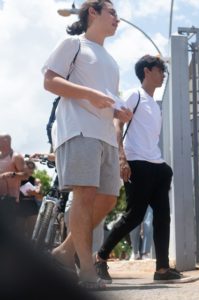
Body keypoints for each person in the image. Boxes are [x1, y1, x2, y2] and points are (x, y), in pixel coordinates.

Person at [42, 0, 131, 289]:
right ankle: (87, 272)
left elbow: (108, 98)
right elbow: (50, 81)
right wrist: (90, 95)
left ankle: (64, 252)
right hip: (79, 130)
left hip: (106, 135)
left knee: (107, 198)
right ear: (93, 12)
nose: (117, 18)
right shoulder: (73, 43)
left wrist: (120, 112)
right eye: (112, 12)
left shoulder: (110, 59)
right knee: (85, 195)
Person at [95, 55, 182, 283]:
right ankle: (100, 258)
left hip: (157, 164)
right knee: (134, 216)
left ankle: (162, 269)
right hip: (136, 163)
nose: (163, 74)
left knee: (162, 217)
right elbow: (118, 122)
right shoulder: (136, 95)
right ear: (147, 71)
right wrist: (121, 157)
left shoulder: (154, 104)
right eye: (160, 70)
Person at [0, 134, 26, 226]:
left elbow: (25, 175)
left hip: (9, 201)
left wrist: (12, 174)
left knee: (6, 231)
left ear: (6, 141)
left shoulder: (16, 156)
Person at [18, 159, 42, 239]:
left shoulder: (36, 180)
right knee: (18, 233)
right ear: (23, 167)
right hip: (18, 206)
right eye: (29, 167)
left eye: (33, 167)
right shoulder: (17, 178)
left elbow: (40, 197)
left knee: (30, 235)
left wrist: (34, 193)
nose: (31, 169)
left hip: (32, 208)